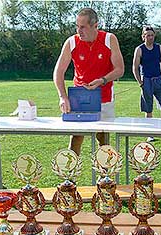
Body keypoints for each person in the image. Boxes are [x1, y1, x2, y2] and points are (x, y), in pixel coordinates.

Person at [53, 8, 124, 155]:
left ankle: (105, 177)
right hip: (79, 99)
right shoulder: (71, 42)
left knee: (103, 141)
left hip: (104, 98)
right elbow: (58, 72)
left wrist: (102, 80)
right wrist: (62, 97)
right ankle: (70, 177)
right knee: (75, 140)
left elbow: (120, 69)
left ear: (95, 26)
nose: (79, 31)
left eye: (83, 27)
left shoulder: (109, 39)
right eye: (77, 26)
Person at [132, 25, 161, 142]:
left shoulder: (159, 47)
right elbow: (135, 67)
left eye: (152, 35)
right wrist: (140, 82)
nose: (150, 37)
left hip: (159, 80)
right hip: (146, 81)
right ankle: (150, 134)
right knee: (148, 109)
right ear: (143, 36)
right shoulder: (139, 49)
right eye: (147, 35)